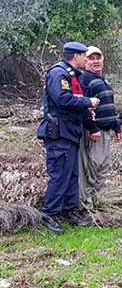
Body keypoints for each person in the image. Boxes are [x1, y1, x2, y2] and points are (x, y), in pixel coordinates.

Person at [36, 42, 100, 233]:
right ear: (76, 56)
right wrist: (87, 101)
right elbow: (62, 99)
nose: (86, 59)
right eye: (84, 56)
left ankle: (68, 210)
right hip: (59, 132)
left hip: (70, 131)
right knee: (59, 174)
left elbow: (73, 103)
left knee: (72, 174)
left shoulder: (72, 75)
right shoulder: (59, 74)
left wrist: (87, 112)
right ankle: (49, 214)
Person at [78, 46, 122, 207]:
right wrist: (92, 128)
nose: (96, 61)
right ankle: (84, 204)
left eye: (99, 58)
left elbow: (109, 105)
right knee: (91, 167)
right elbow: (83, 106)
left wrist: (117, 127)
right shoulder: (84, 80)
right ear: (85, 61)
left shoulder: (104, 79)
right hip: (94, 132)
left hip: (106, 130)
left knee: (103, 166)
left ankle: (96, 201)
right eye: (92, 58)